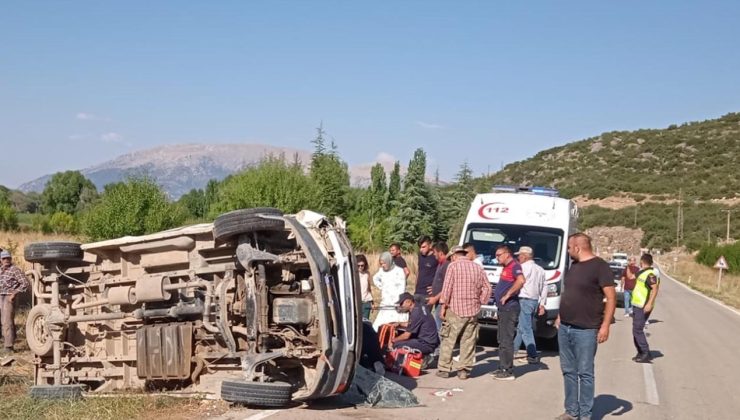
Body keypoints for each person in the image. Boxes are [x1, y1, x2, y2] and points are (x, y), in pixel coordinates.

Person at [555, 233, 616, 420]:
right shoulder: (574, 266)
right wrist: (559, 316)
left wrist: (605, 325)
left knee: (585, 373)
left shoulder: (600, 267)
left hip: (586, 330)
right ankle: (571, 411)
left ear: (577, 247)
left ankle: (585, 415)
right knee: (568, 371)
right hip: (565, 327)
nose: (568, 250)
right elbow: (570, 293)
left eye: (569, 247)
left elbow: (611, 297)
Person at [436, 246, 491, 380]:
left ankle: (444, 369)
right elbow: (488, 288)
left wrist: (443, 305)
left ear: (454, 255)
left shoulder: (453, 267)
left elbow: (447, 287)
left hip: (455, 309)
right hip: (472, 311)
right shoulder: (477, 267)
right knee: (468, 341)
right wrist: (480, 301)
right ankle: (464, 370)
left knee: (449, 339)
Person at [491, 245, 526, 381]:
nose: (497, 258)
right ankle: (502, 366)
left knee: (506, 339)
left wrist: (508, 294)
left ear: (507, 254)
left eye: (498, 255)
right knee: (501, 339)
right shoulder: (506, 267)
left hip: (509, 308)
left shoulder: (514, 266)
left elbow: (521, 280)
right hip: (503, 309)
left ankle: (508, 370)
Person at [512, 246, 548, 365]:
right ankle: (513, 351)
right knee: (521, 327)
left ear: (525, 256)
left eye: (520, 255)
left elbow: (518, 282)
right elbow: (544, 287)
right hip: (534, 301)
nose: (518, 257)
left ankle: (532, 355)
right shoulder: (540, 269)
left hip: (524, 300)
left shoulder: (522, 268)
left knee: (526, 328)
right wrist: (542, 304)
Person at [391, 292, 440, 360]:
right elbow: (413, 324)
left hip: (426, 344)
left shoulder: (416, 313)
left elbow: (406, 335)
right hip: (428, 340)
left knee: (397, 344)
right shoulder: (418, 307)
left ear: (409, 302)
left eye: (402, 304)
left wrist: (392, 340)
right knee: (399, 335)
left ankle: (423, 358)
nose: (401, 306)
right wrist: (400, 324)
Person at [631, 254, 660, 363]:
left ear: (642, 262)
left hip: (643, 305)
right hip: (637, 305)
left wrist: (649, 303)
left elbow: (655, 288)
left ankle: (645, 352)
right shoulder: (642, 273)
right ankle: (640, 351)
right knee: (635, 330)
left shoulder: (650, 274)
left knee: (637, 330)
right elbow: (631, 277)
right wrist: (629, 266)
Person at [0, 250, 29, 354]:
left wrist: (14, 293)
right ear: (0, 260)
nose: (6, 260)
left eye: (8, 258)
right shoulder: (1, 270)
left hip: (8, 296)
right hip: (1, 296)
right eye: (4, 259)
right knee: (4, 320)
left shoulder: (15, 270)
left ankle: (8, 347)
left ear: (11, 259)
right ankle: (10, 340)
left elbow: (25, 283)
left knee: (6, 321)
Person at [372, 252, 409, 331]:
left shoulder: (399, 271)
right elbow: (375, 278)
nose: (383, 265)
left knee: (394, 325)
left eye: (384, 263)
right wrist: (382, 287)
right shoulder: (381, 271)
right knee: (378, 327)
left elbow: (402, 287)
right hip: (385, 302)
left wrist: (399, 302)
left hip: (396, 303)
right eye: (381, 264)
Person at [427, 241, 451, 330]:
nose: (434, 255)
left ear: (440, 253)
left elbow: (447, 286)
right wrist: (433, 288)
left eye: (434, 252)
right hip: (438, 301)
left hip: (442, 302)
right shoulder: (440, 264)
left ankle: (441, 344)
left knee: (440, 328)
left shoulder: (447, 265)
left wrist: (435, 298)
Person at [356, 254, 374, 320]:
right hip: (357, 303)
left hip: (366, 302)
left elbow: (368, 289)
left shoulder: (367, 274)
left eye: (362, 265)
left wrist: (372, 302)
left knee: (365, 323)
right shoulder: (353, 275)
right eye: (358, 265)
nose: (360, 267)